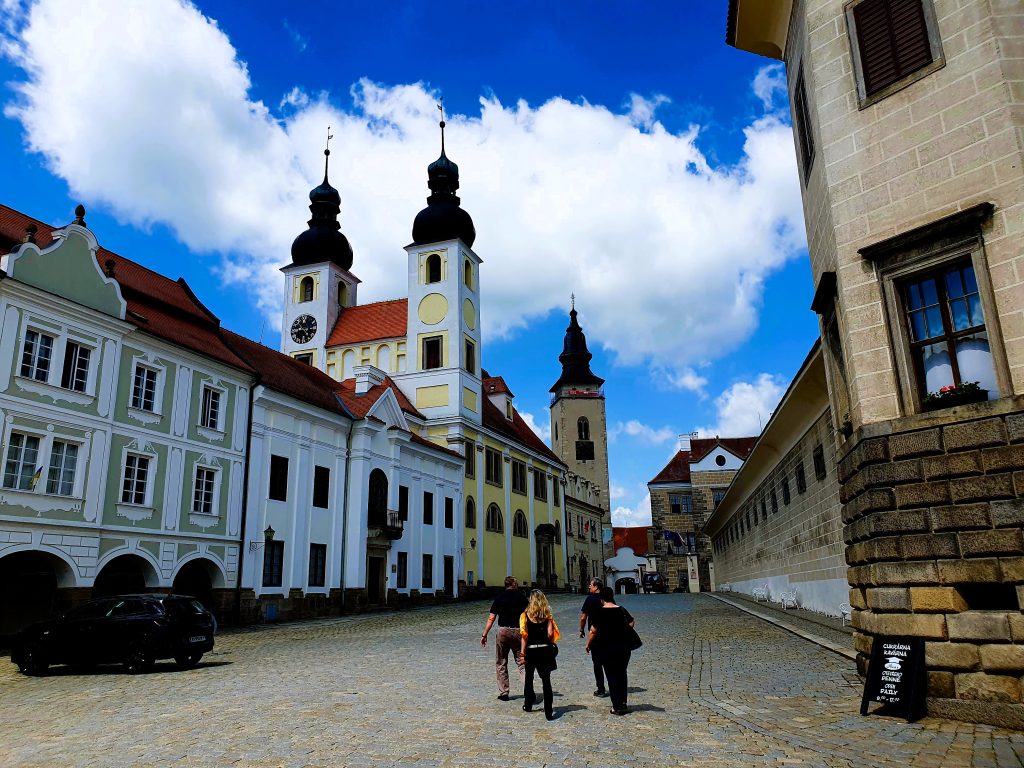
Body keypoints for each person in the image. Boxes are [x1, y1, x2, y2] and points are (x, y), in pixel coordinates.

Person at [585, 586, 635, 716]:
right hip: (623, 648)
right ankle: (623, 703)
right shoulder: (622, 609)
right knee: (622, 674)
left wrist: (588, 644)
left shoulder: (599, 612)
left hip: (606, 647)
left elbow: (593, 631)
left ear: (602, 599)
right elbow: (631, 623)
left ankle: (616, 706)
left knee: (611, 675)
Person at [480, 576, 528, 700]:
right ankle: (528, 690)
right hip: (518, 631)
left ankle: (504, 692)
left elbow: (491, 618)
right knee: (522, 662)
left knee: (501, 662)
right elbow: (528, 616)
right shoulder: (522, 597)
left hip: (503, 631)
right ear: (514, 584)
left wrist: (484, 634)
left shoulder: (499, 598)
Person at [519, 590, 560, 720]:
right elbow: (549, 634)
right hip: (545, 650)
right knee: (546, 681)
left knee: (529, 678)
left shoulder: (525, 615)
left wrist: (522, 653)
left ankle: (528, 704)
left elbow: (524, 636)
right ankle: (548, 711)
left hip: (531, 650)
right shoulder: (548, 616)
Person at [578, 577, 607, 697]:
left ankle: (601, 688)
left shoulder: (590, 599)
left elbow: (583, 617)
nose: (589, 586)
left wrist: (581, 629)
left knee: (597, 663)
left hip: (594, 633)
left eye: (591, 585)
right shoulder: (606, 598)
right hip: (608, 632)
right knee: (609, 661)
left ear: (596, 587)